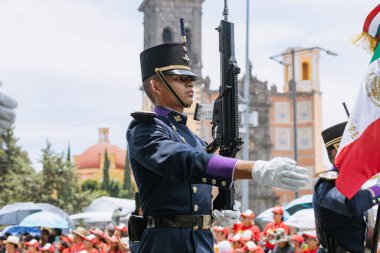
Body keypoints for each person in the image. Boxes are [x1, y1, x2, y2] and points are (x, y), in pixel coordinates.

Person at [127, 39, 310, 252]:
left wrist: (217, 209)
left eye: (190, 79)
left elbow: (195, 189)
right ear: (156, 85)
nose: (190, 84)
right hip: (165, 243)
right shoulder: (145, 130)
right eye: (180, 79)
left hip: (202, 242)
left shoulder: (194, 139)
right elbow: (184, 163)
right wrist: (255, 168)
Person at [312, 120, 380, 252]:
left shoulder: (354, 184)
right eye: (354, 147)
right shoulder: (327, 183)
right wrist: (378, 190)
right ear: (336, 152)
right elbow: (350, 204)